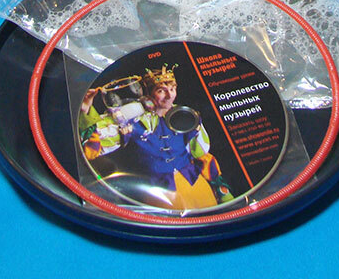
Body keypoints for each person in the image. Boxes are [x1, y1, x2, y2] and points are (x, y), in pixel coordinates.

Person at [79, 65, 233, 211]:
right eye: (161, 91)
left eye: (172, 89)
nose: (169, 95)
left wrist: (223, 193)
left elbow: (202, 155)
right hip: (158, 194)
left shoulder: (185, 115)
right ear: (148, 93)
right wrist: (86, 111)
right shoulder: (132, 119)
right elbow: (92, 148)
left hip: (195, 185)